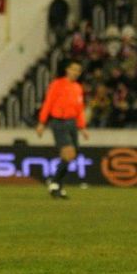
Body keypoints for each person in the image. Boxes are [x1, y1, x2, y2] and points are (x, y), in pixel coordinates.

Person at [36, 60, 89, 198]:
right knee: (69, 152)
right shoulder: (57, 84)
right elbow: (48, 102)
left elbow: (79, 109)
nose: (76, 72)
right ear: (67, 70)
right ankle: (55, 182)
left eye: (78, 70)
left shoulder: (78, 87)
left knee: (72, 155)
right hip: (59, 122)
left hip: (72, 123)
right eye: (73, 69)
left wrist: (82, 127)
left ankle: (57, 185)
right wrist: (42, 122)